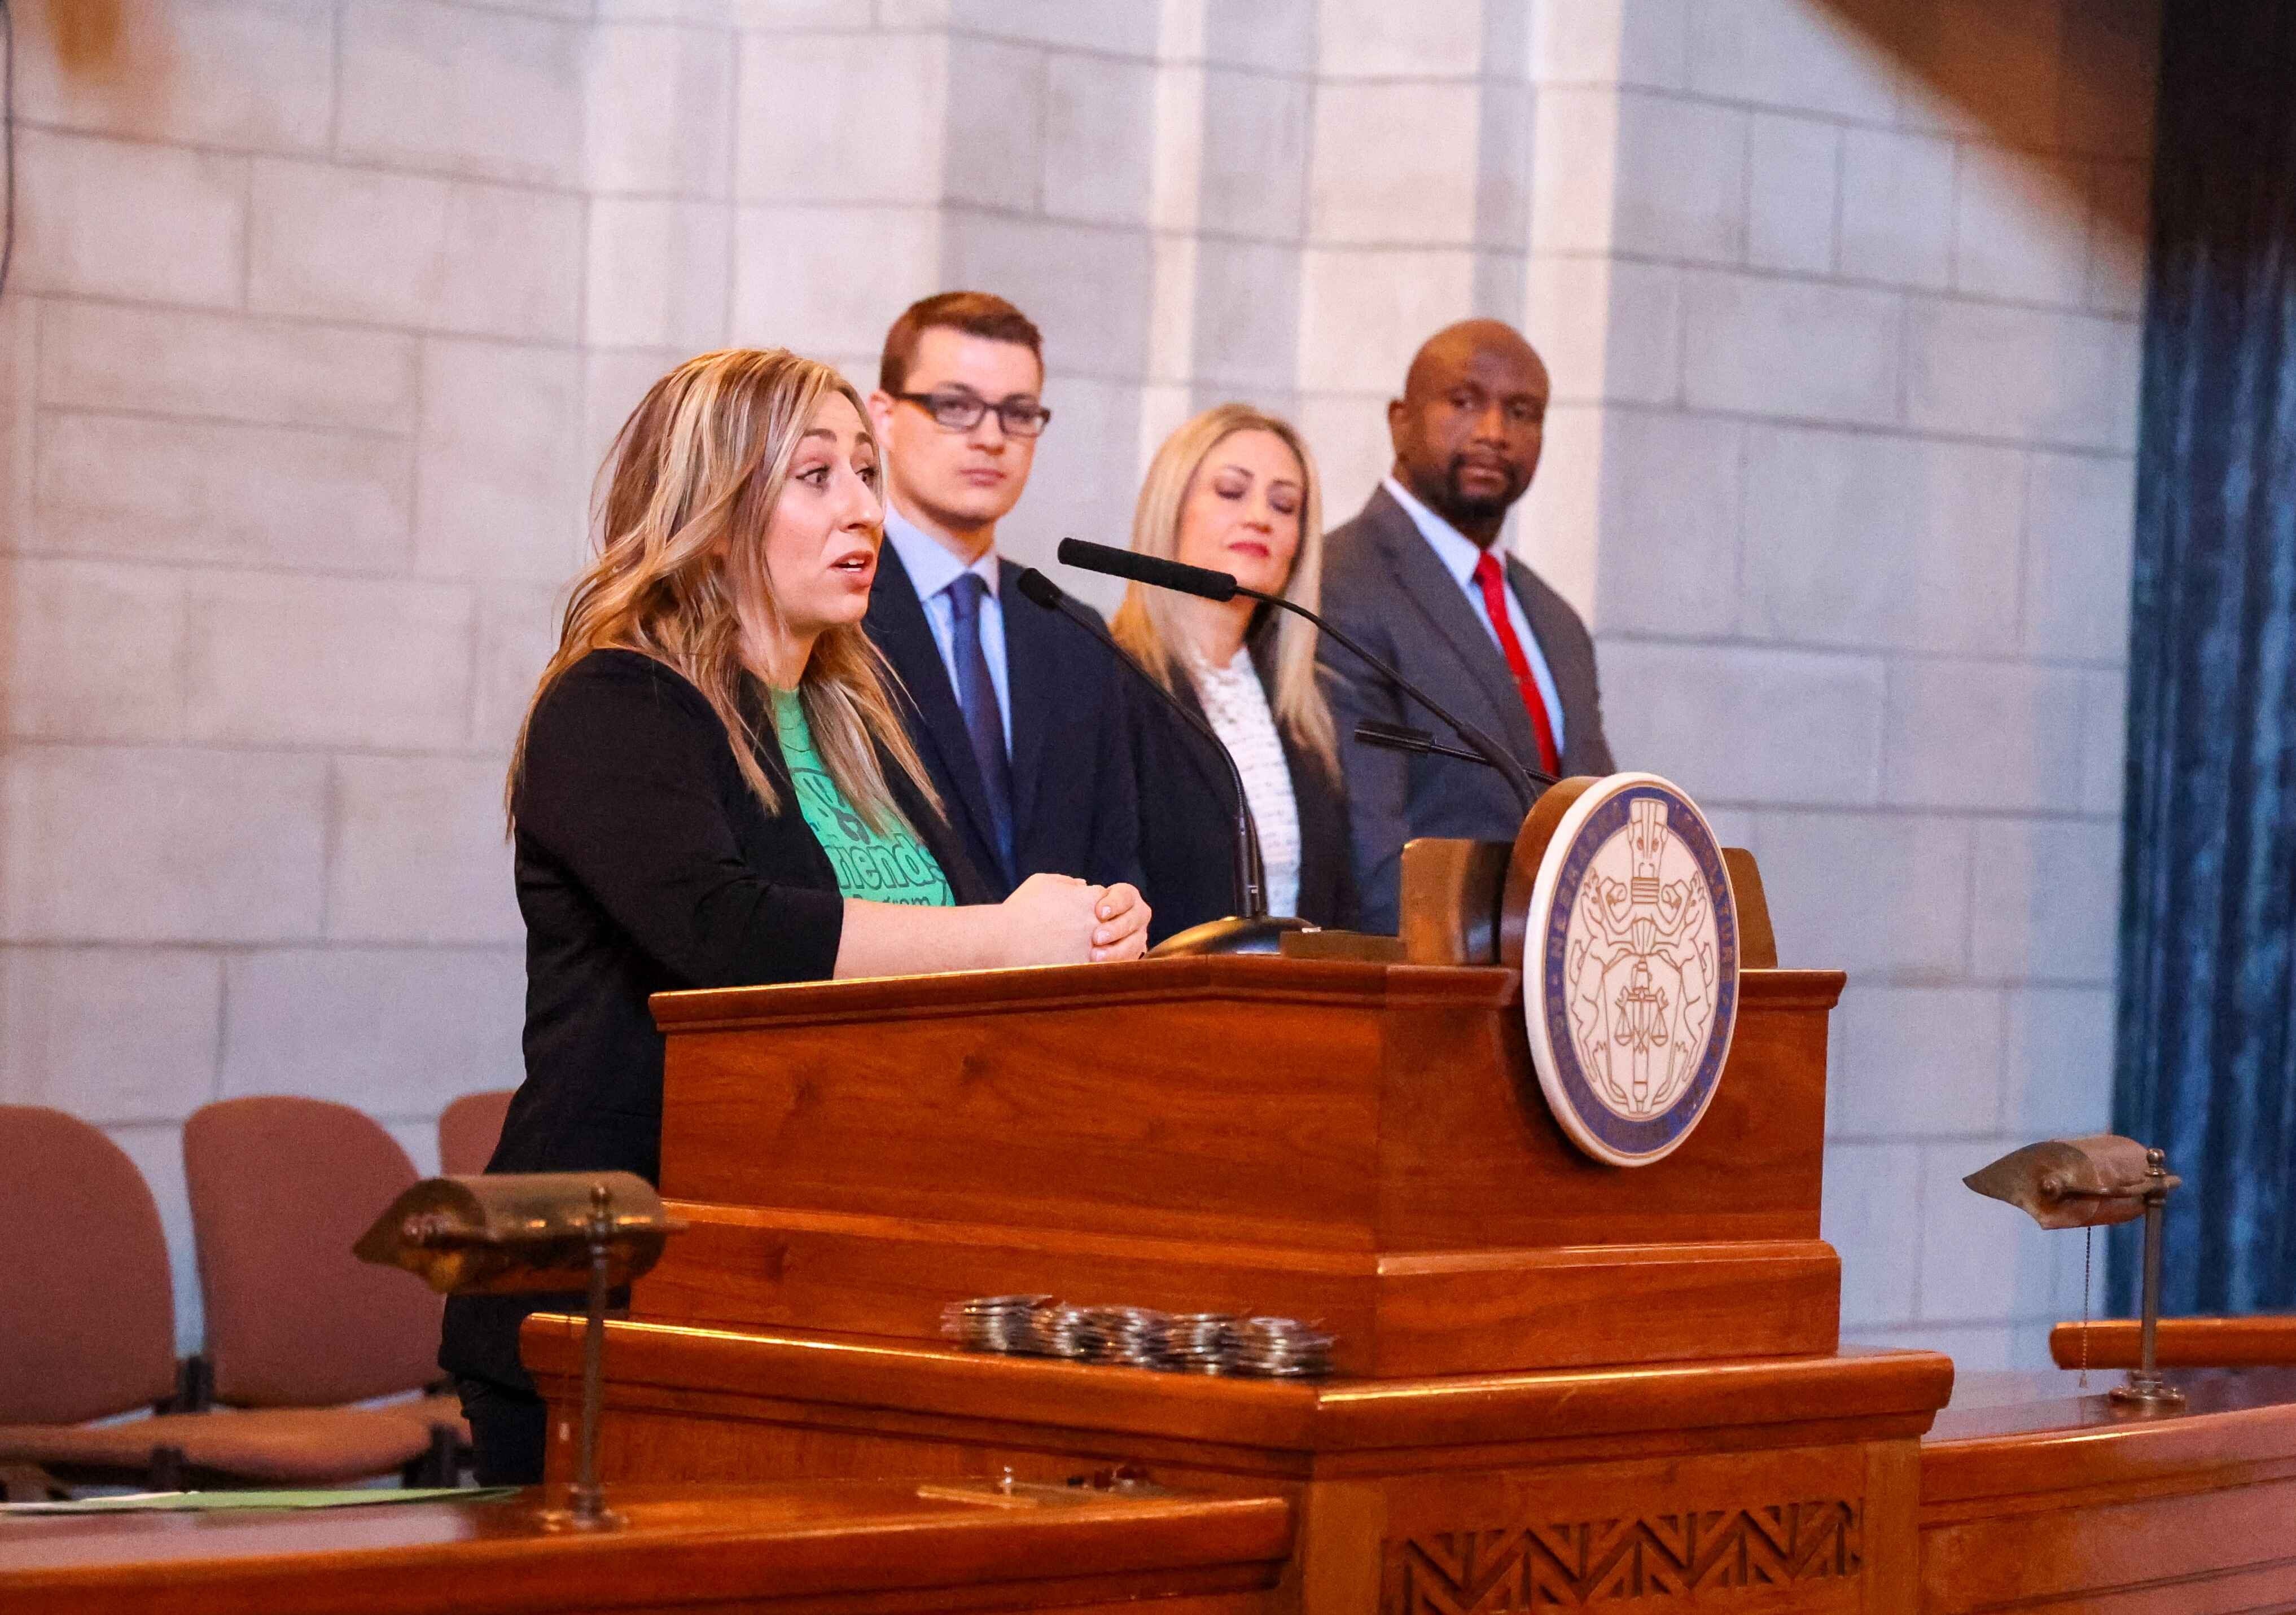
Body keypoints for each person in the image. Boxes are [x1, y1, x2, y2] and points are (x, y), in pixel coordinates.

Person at [440, 348, 1150, 1485]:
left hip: (828, 1290)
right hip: (619, 1299)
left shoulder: (861, 730)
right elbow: (725, 937)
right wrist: (1002, 937)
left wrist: (1080, 940)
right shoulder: (618, 702)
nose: (864, 509)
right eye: (816, 477)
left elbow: (950, 941)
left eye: (866, 474)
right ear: (713, 513)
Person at [1320, 319, 1615, 933]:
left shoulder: (1556, 620)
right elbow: (1370, 855)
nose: (1494, 433)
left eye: (1522, 412)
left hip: (1568, 993)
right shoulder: (1339, 583)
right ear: (1400, 421)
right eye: (1464, 402)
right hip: (1432, 989)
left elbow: (1600, 824)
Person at [863, 292, 1140, 901]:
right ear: (883, 417)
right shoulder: (838, 610)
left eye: (1018, 413)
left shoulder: (1074, 634)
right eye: (956, 406)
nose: (992, 437)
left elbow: (1116, 860)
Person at [1111, 404, 1358, 943]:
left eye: (1284, 504)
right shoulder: (1111, 681)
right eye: (1230, 492)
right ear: (1171, 509)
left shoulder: (1308, 709)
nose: (1259, 518)